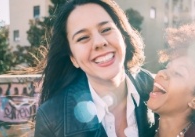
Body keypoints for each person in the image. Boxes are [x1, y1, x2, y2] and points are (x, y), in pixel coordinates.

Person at [34, 0, 158, 137]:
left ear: (122, 35)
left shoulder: (155, 88)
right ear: (73, 58)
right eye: (83, 38)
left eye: (106, 29)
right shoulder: (51, 117)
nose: (99, 42)